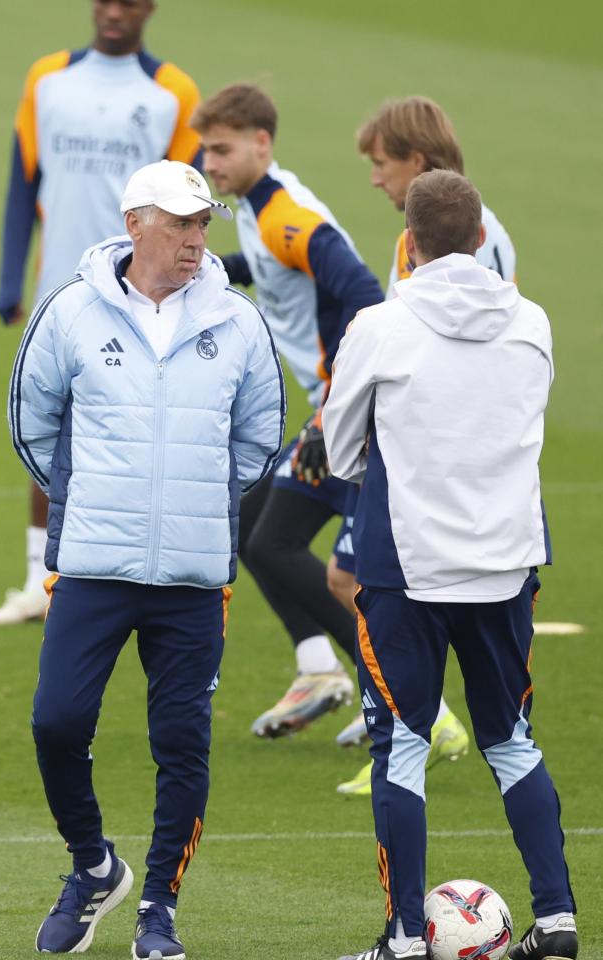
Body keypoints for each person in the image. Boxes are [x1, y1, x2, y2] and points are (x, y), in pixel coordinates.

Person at [10, 160, 283, 958]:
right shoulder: (69, 312)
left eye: (203, 223)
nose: (197, 237)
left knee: (182, 744)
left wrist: (195, 498)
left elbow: (259, 436)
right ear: (136, 224)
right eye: (180, 222)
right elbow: (33, 425)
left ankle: (158, 907)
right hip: (93, 563)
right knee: (56, 721)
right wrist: (92, 497)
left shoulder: (236, 320)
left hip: (194, 579)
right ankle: (93, 866)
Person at [325, 170, 574, 960]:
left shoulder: (380, 325)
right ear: (479, 238)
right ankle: (559, 920)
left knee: (401, 747)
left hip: (409, 569)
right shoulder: (531, 323)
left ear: (409, 242)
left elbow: (340, 450)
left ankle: (402, 940)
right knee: (511, 742)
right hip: (505, 563)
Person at [0, 0, 202, 627]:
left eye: (128, 3)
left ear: (149, 9)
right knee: (50, 425)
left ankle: (133, 571)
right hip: (60, 288)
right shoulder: (46, 78)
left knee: (140, 428)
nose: (114, 12)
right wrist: (8, 276)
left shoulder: (171, 92)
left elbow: (188, 199)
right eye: (105, 1)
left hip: (144, 292)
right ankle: (39, 578)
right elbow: (22, 180)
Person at [190, 83, 382, 741]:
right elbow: (273, 270)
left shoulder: (284, 215)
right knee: (248, 528)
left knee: (273, 541)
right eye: (205, 151)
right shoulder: (255, 207)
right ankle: (319, 670)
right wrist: (212, 266)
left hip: (353, 407)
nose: (209, 164)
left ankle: (401, 694)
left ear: (261, 143)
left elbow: (363, 294)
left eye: (221, 150)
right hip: (344, 404)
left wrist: (335, 410)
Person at [330, 95, 510, 794]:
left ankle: (420, 730)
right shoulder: (432, 233)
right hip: (415, 450)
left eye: (382, 164)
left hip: (432, 463)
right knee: (345, 579)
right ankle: (413, 724)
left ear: (418, 162)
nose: (374, 178)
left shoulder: (465, 238)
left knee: (363, 583)